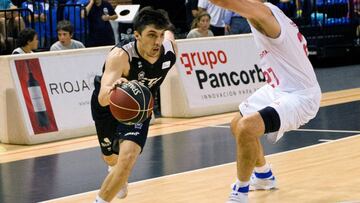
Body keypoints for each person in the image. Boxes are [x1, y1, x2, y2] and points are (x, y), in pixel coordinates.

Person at [209, 0, 322, 202]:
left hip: (301, 95)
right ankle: (263, 176)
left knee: (246, 127)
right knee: (237, 125)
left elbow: (223, 2)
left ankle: (240, 194)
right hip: (279, 88)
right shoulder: (265, 14)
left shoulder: (264, 13)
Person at [90, 7, 177, 203]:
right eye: (151, 35)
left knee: (127, 159)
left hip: (139, 109)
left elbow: (170, 33)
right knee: (112, 158)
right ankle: (114, 170)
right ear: (136, 35)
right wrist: (114, 89)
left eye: (161, 35)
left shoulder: (169, 50)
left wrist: (166, 28)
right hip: (108, 107)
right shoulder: (120, 56)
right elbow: (102, 97)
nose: (157, 41)